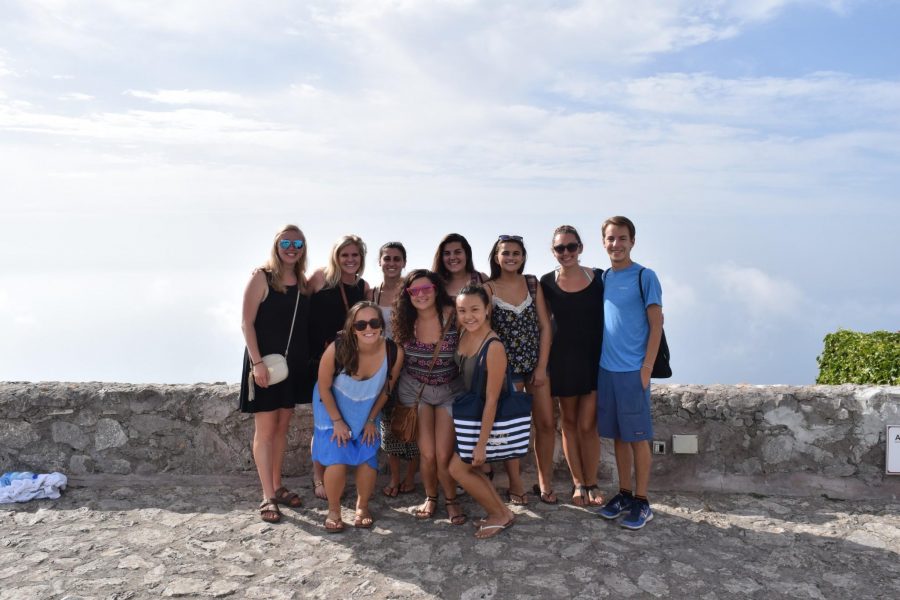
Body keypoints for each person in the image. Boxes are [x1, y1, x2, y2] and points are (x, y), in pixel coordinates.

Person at [239, 225, 313, 523]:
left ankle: (277, 484)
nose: (291, 247)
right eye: (286, 242)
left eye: (297, 242)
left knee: (282, 427)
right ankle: (267, 495)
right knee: (266, 430)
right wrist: (256, 364)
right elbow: (246, 323)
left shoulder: (303, 282)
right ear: (277, 245)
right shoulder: (262, 277)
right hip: (265, 365)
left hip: (291, 366)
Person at [312, 301, 404, 532]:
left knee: (367, 456)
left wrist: (372, 419)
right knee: (337, 458)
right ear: (352, 328)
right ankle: (334, 510)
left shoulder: (394, 352)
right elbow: (324, 387)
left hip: (366, 407)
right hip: (331, 405)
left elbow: (386, 390)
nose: (368, 328)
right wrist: (337, 421)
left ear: (381, 325)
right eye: (360, 324)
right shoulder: (338, 348)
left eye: (373, 323)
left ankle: (362, 507)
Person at [596, 216, 663, 530]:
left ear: (632, 241)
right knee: (619, 439)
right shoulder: (605, 277)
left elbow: (657, 324)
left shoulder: (645, 276)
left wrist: (646, 369)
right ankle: (623, 493)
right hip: (607, 370)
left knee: (638, 439)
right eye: (610, 238)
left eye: (622, 238)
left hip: (634, 371)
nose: (616, 244)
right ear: (604, 242)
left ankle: (642, 501)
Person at [392, 269, 466, 525]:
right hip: (417, 392)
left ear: (436, 290)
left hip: (449, 391)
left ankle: (451, 500)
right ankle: (431, 497)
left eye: (426, 289)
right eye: (414, 291)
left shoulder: (454, 317)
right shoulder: (405, 321)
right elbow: (398, 360)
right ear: (407, 295)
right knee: (428, 454)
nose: (421, 295)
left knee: (443, 453)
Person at [483, 235, 553, 506]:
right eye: (505, 253)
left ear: (523, 257)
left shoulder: (532, 283)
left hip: (536, 367)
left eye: (516, 253)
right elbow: (485, 330)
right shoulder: (488, 288)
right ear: (496, 257)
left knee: (546, 424)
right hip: (506, 371)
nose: (511, 257)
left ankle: (544, 481)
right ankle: (515, 483)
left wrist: (542, 367)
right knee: (512, 428)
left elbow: (544, 326)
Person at [539, 225, 604, 507]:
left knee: (589, 424)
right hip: (563, 359)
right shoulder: (546, 282)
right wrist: (541, 365)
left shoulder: (600, 278)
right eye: (560, 248)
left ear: (580, 248)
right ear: (553, 252)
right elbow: (544, 326)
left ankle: (592, 482)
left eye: (571, 247)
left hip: (594, 358)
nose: (566, 253)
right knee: (568, 423)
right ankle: (578, 483)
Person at [449, 284, 517, 539]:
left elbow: (492, 399)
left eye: (475, 309)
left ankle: (499, 514)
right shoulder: (464, 334)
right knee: (468, 469)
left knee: (458, 469)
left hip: (485, 416)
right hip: (469, 414)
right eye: (462, 310)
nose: (469, 316)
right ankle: (502, 513)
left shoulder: (494, 347)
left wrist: (482, 444)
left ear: (487, 309)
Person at [309, 234, 370, 499]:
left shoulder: (363, 287)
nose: (350, 259)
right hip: (320, 358)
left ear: (362, 258)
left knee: (345, 419)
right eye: (344, 255)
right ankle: (317, 476)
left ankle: (339, 472)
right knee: (323, 422)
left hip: (349, 364)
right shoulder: (322, 278)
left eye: (355, 255)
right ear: (336, 257)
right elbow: (295, 297)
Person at [368, 242, 419, 497]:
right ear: (379, 262)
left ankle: (410, 477)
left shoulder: (411, 292)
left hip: (410, 365)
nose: (391, 263)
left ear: (404, 262)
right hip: (382, 365)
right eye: (387, 258)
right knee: (388, 424)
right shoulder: (372, 294)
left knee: (410, 421)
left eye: (396, 259)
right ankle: (395, 476)